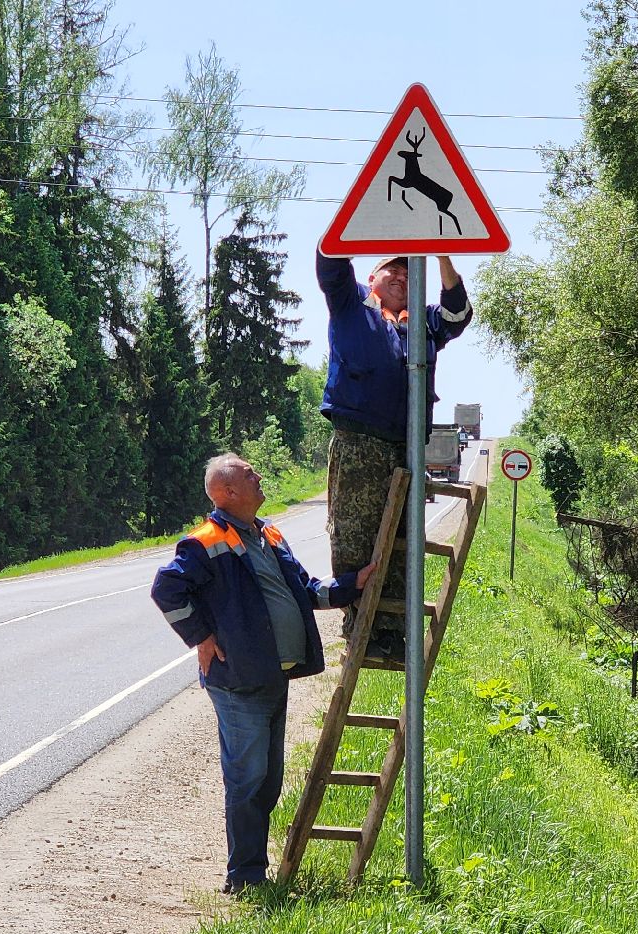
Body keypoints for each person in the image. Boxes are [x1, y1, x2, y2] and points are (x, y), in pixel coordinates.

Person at [150, 453, 374, 892]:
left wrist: (352, 585)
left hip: (272, 674)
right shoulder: (204, 540)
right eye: (249, 473)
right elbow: (166, 588)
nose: (259, 476)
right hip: (239, 680)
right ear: (227, 492)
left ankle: (252, 868)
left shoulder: (268, 533)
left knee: (268, 777)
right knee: (248, 777)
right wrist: (201, 636)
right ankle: (246, 876)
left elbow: (304, 590)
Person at [316, 250, 472, 661]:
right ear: (373, 276)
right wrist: (354, 228)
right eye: (393, 270)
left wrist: (441, 254)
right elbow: (329, 262)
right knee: (354, 536)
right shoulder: (352, 303)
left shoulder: (424, 321)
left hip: (406, 446)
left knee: (403, 540)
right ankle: (359, 624)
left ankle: (393, 631)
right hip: (359, 440)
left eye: (408, 272)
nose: (401, 277)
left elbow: (458, 314)